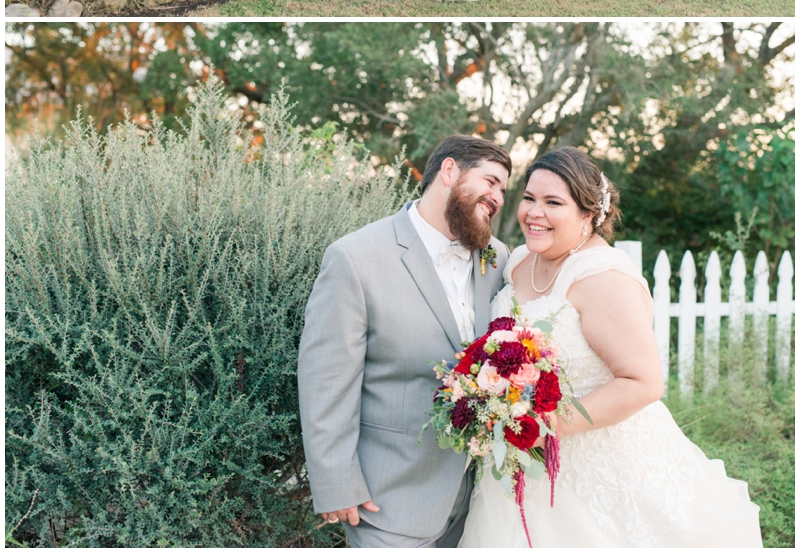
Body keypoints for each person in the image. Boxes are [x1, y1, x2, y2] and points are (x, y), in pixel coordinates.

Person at [459, 147, 763, 548]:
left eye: (553, 203)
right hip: (516, 465)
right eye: (530, 198)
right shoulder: (517, 262)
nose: (534, 212)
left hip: (598, 466)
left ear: (588, 215)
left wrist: (544, 427)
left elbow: (642, 382)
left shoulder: (604, 277)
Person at [298, 135, 512, 547]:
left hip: (478, 504)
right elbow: (326, 380)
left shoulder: (497, 258)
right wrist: (336, 482)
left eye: (503, 188)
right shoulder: (355, 258)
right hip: (388, 499)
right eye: (490, 181)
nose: (498, 197)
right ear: (449, 171)